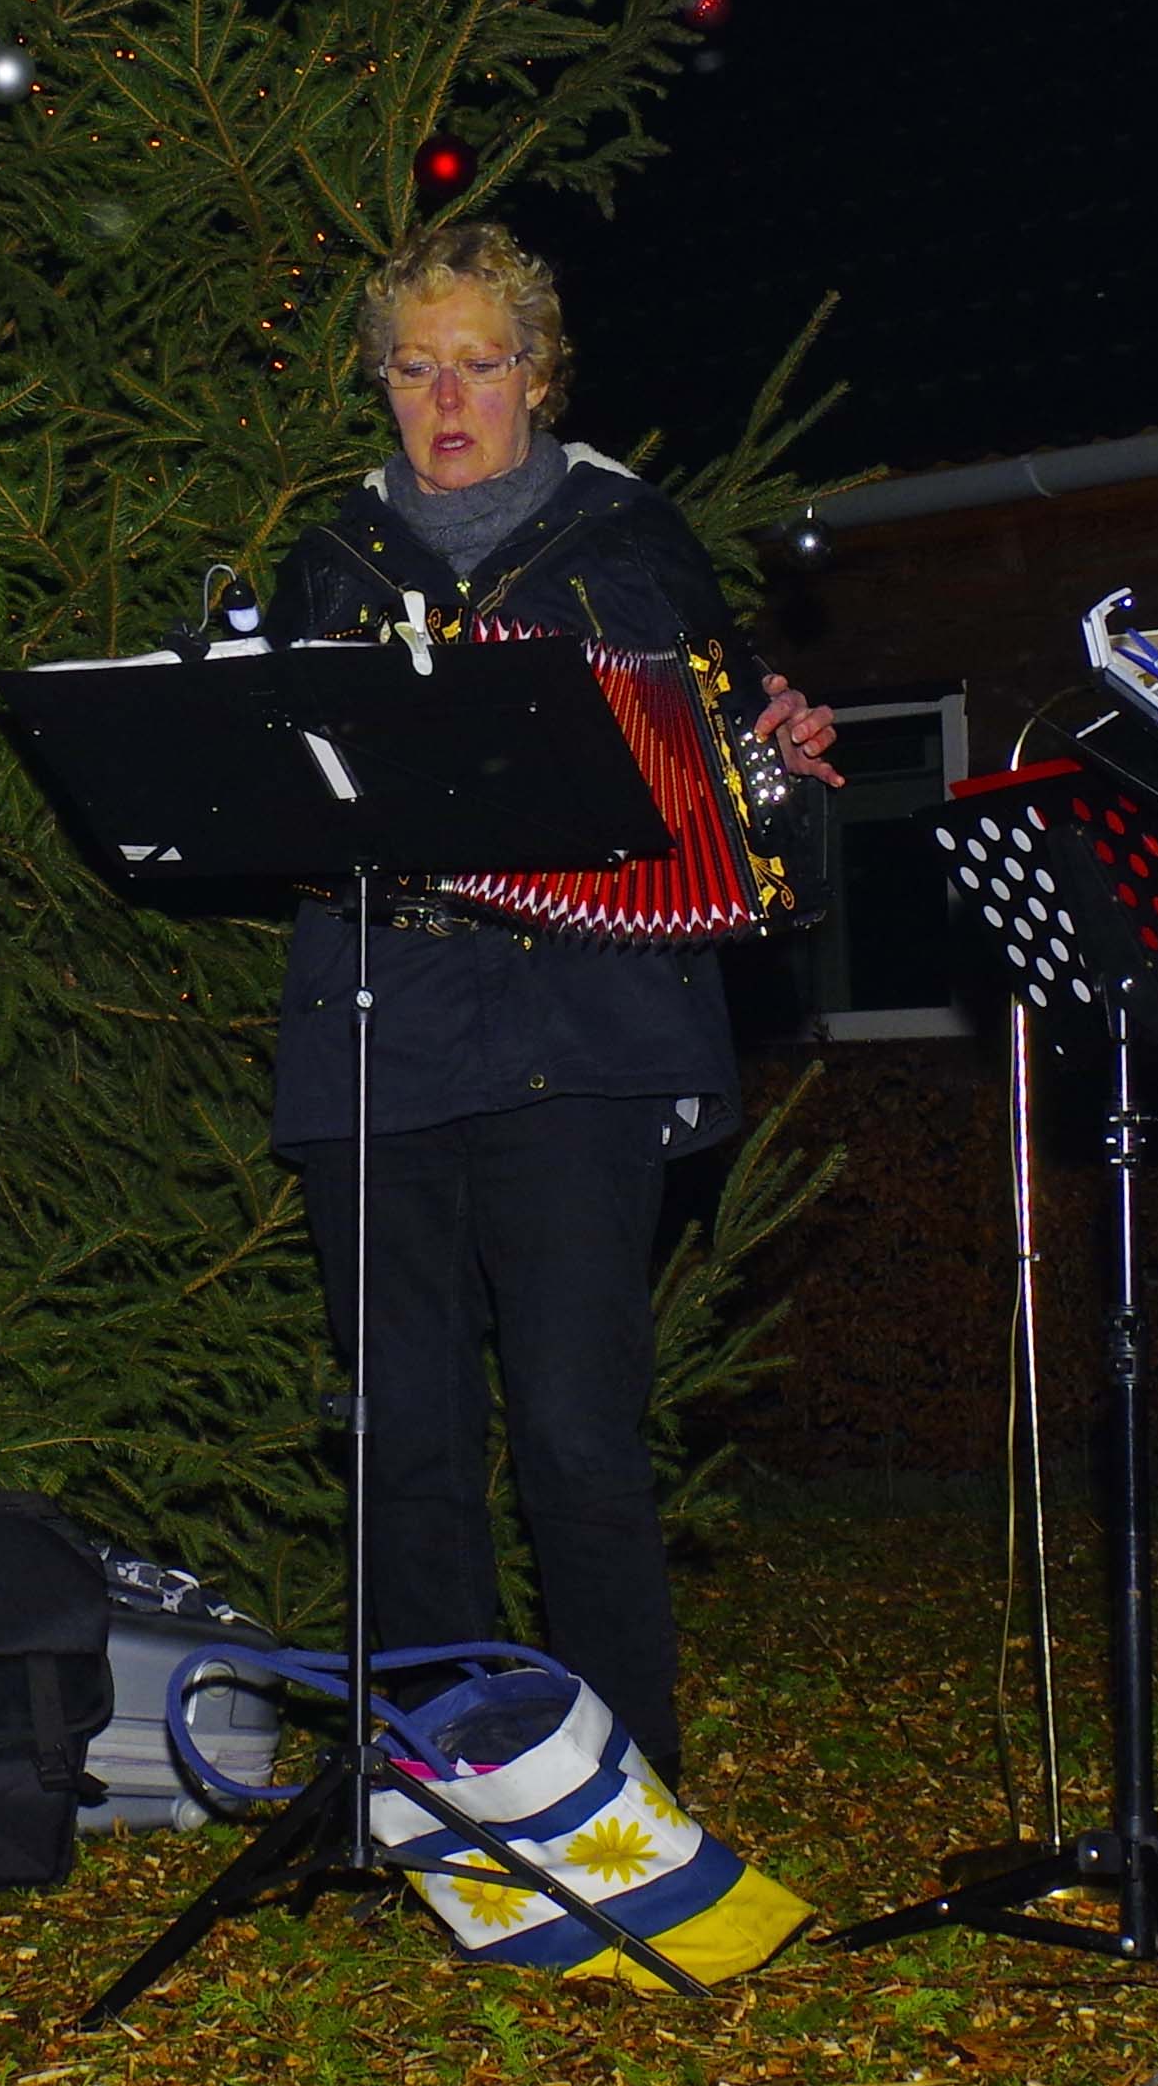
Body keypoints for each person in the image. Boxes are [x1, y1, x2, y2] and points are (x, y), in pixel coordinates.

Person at [254, 219, 838, 1783]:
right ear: (379, 386)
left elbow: (737, 798)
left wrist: (770, 758)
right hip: (377, 1026)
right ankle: (450, 1781)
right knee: (407, 1443)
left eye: (481, 364)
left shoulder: (630, 547)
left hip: (579, 1033)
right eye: (414, 368)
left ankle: (620, 1787)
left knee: (578, 1433)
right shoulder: (327, 564)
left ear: (539, 374)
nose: (448, 399)